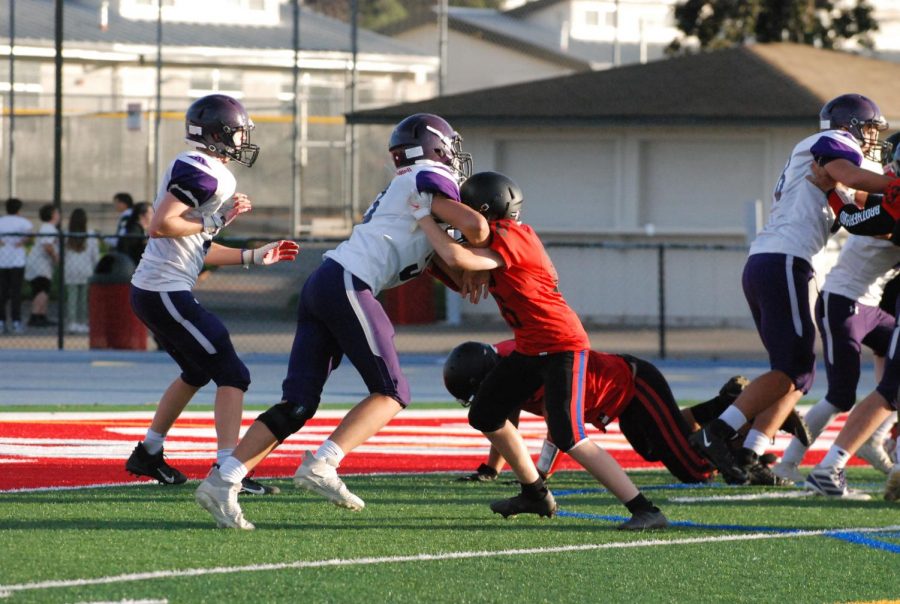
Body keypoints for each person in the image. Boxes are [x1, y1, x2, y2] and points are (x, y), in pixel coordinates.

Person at [194, 113, 489, 530]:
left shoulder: (413, 193)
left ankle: (223, 481)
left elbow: (442, 263)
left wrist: (466, 268)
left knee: (298, 404)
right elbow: (475, 227)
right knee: (392, 390)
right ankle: (323, 464)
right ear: (435, 147)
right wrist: (494, 237)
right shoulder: (429, 176)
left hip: (327, 283)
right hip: (350, 283)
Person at [417, 171, 668, 530]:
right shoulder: (500, 243)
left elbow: (462, 260)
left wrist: (424, 216)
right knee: (485, 413)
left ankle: (645, 509)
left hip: (561, 344)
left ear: (487, 209)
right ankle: (534, 491)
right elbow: (461, 271)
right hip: (532, 348)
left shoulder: (516, 235)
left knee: (569, 435)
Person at [689, 93, 895, 485]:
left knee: (796, 373)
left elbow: (865, 211)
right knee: (794, 368)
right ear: (850, 125)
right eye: (869, 128)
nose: (872, 138)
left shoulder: (835, 160)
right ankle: (718, 432)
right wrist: (893, 183)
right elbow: (854, 179)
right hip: (785, 260)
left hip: (775, 261)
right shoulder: (835, 147)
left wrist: (888, 191)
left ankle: (751, 451)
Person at [124, 94, 300, 497]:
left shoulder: (202, 168)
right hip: (164, 290)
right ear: (218, 134)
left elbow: (196, 245)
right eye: (237, 132)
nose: (242, 140)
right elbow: (161, 225)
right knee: (232, 373)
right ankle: (227, 467)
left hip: (158, 290)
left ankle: (148, 452)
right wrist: (218, 217)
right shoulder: (203, 172)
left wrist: (253, 256)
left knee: (198, 372)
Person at [446, 340, 756, 485]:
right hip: (616, 401)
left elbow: (559, 426)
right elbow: (503, 420)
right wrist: (491, 468)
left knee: (695, 470)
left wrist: (539, 475)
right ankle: (726, 402)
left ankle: (747, 419)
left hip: (633, 386)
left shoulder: (526, 366)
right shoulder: (504, 364)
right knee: (652, 450)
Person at [63, 208, 100, 334]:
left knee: (72, 298)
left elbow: (62, 254)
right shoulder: (90, 234)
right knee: (84, 299)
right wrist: (96, 268)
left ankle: (72, 323)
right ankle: (82, 322)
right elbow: (95, 255)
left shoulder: (66, 234)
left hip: (70, 269)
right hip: (86, 269)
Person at [24, 204, 60, 327]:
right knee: (42, 290)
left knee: (43, 290)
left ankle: (41, 315)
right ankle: (35, 316)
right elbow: (47, 246)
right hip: (40, 265)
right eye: (57, 213)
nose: (58, 215)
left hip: (42, 265)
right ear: (52, 215)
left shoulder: (47, 228)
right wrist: (56, 257)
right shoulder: (48, 228)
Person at [0, 198, 33, 334]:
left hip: (2, 260)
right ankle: (16, 321)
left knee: (1, 292)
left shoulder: (1, 221)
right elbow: (30, 235)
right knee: (16, 292)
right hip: (17, 261)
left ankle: (1, 321)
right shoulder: (24, 222)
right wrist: (20, 242)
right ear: (19, 210)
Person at [115, 202, 153, 266]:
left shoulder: (137, 230)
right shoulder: (134, 231)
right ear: (141, 215)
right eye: (151, 213)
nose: (153, 216)